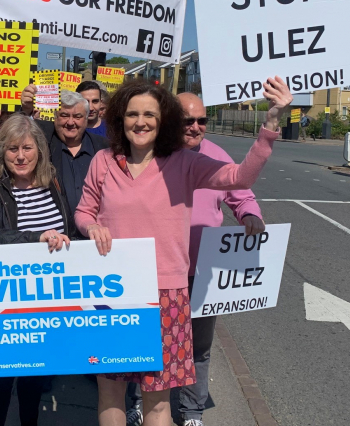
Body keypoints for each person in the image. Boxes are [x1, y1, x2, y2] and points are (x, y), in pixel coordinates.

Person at [74, 77, 291, 426]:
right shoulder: (103, 160)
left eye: (149, 114)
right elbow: (84, 211)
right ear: (120, 118)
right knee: (110, 394)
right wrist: (91, 227)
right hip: (111, 291)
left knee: (157, 402)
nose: (140, 122)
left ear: (164, 121)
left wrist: (271, 122)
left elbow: (241, 176)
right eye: (132, 114)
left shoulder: (185, 162)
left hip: (166, 294)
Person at [0, 114, 75, 426]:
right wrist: (34, 239)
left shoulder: (53, 185)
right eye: (12, 149)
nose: (20, 156)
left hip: (48, 301)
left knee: (34, 379)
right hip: (5, 302)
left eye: (27, 148)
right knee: (0, 380)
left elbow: (68, 231)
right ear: (2, 153)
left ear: (39, 150)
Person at [173, 93, 265, 426]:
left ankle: (191, 410)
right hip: (160, 268)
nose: (195, 127)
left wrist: (250, 214)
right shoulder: (154, 153)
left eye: (201, 121)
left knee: (199, 346)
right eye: (187, 120)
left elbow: (242, 195)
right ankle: (137, 399)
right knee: (151, 342)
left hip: (204, 269)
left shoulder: (216, 155)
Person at [20, 86, 109, 217]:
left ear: (86, 119)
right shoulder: (44, 140)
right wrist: (26, 110)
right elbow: (20, 132)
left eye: (77, 116)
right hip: (55, 232)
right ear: (55, 117)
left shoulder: (103, 147)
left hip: (95, 231)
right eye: (64, 115)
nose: (70, 122)